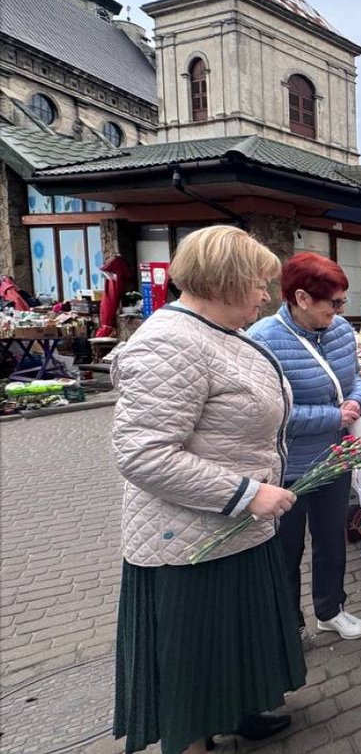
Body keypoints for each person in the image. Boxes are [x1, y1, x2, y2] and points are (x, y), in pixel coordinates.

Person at [110, 226, 303, 754]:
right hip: (191, 538)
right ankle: (194, 736)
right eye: (259, 284)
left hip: (233, 526)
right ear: (226, 281)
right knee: (196, 644)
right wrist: (247, 493)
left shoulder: (222, 334)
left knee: (234, 635)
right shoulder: (169, 341)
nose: (266, 296)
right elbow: (143, 453)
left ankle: (237, 706)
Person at [248, 253, 361, 640]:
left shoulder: (340, 332)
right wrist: (333, 417)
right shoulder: (263, 339)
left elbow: (357, 379)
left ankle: (330, 609)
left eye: (342, 302)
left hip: (335, 458)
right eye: (332, 303)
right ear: (301, 298)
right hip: (288, 466)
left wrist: (357, 402)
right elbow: (267, 414)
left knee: (331, 539)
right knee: (285, 549)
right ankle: (288, 624)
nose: (338, 311)